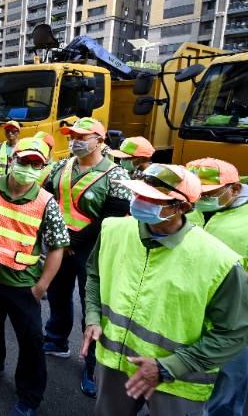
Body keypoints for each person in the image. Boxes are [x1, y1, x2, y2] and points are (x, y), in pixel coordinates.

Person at [82, 163, 248, 416]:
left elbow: (234, 332)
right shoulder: (113, 229)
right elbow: (95, 275)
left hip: (179, 382)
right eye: (139, 194)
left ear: (182, 207)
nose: (140, 202)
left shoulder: (219, 261)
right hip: (113, 365)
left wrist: (169, 367)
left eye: (153, 199)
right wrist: (92, 316)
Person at [0, 138, 70, 416]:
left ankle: (29, 397)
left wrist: (42, 286)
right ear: (12, 160)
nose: (28, 168)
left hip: (23, 285)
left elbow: (58, 247)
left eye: (36, 164)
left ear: (42, 168)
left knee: (31, 341)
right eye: (24, 161)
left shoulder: (46, 202)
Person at [42, 117, 132, 398]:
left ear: (100, 141)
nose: (75, 141)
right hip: (61, 246)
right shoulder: (60, 166)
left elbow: (112, 218)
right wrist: (56, 238)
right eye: (72, 136)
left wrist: (71, 241)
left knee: (91, 305)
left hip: (93, 249)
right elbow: (46, 201)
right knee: (58, 294)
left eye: (83, 136)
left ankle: (92, 364)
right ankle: (57, 339)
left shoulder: (117, 175)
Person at [185, 158, 248, 416]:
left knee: (227, 388)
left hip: (235, 321)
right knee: (188, 379)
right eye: (197, 191)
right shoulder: (189, 206)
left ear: (233, 189)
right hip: (191, 313)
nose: (201, 197)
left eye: (209, 192)